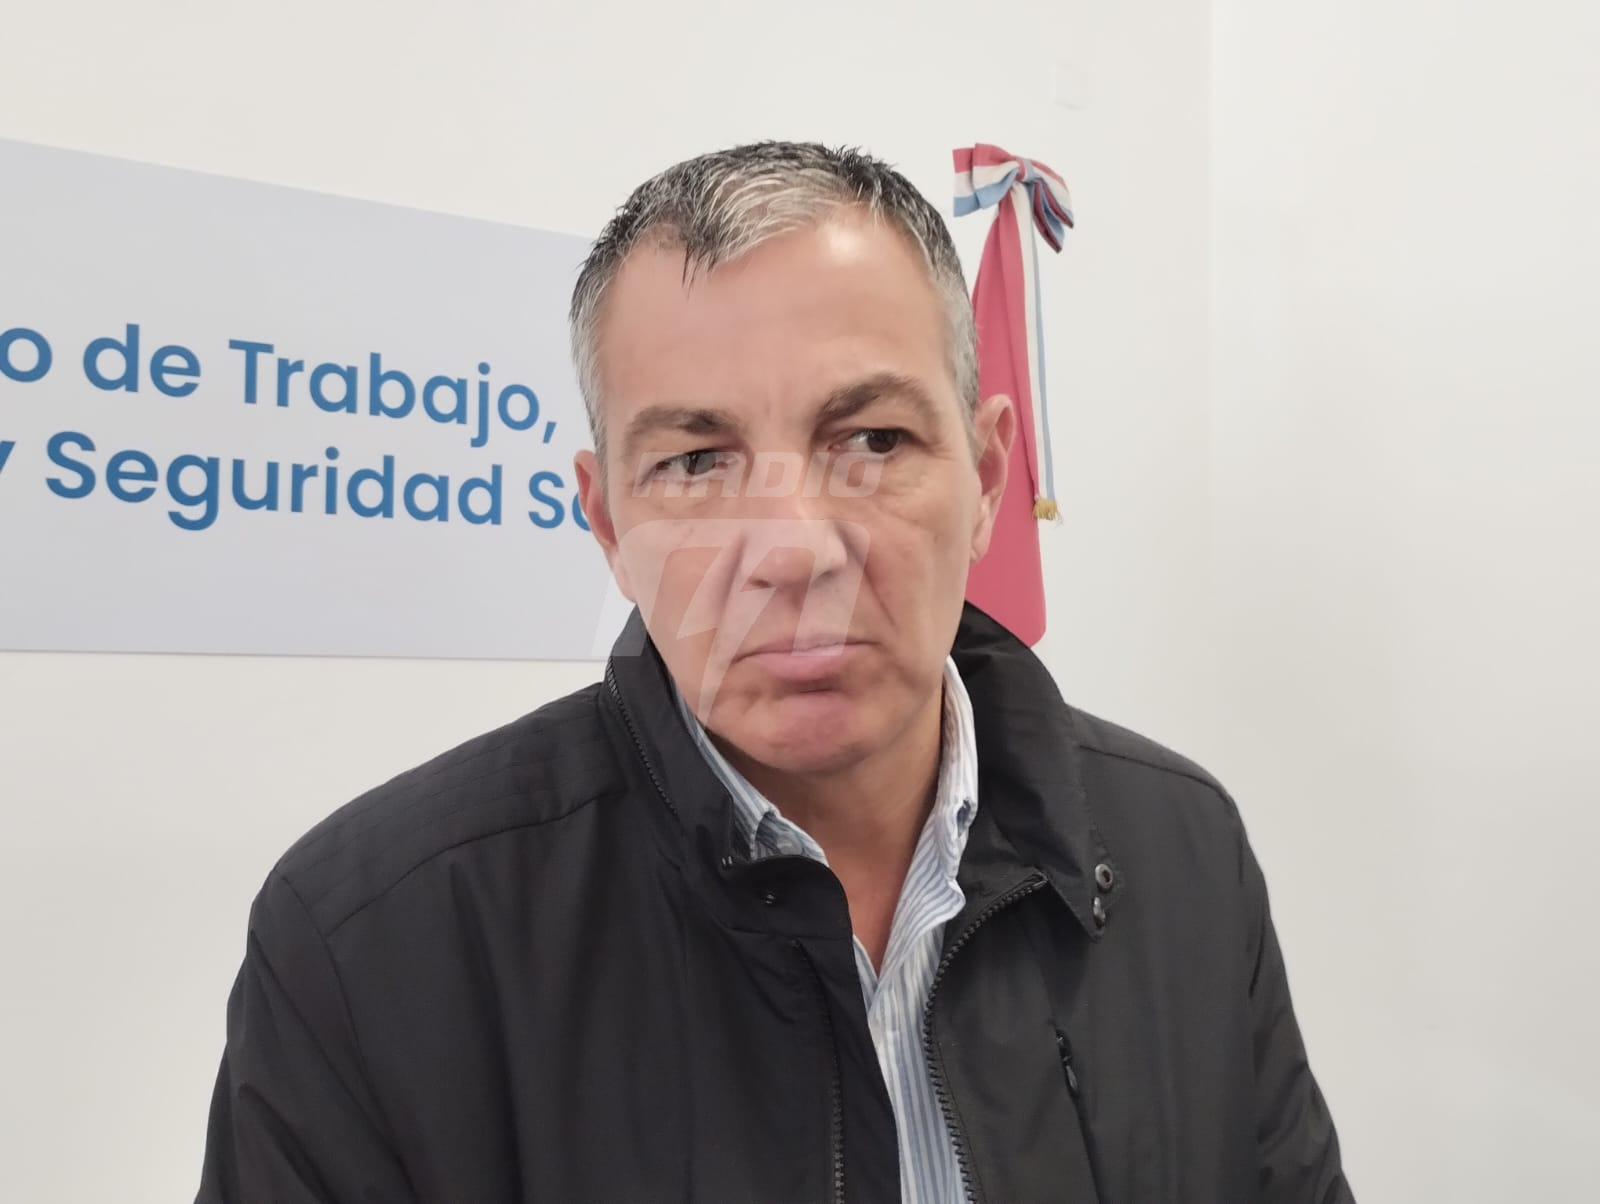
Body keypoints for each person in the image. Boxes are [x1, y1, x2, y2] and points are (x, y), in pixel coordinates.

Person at [198, 141, 1353, 1203]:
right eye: (696, 461)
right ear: (607, 522)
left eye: (873, 441)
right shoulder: (371, 946)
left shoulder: (1180, 851)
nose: (794, 550)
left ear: (987, 476)